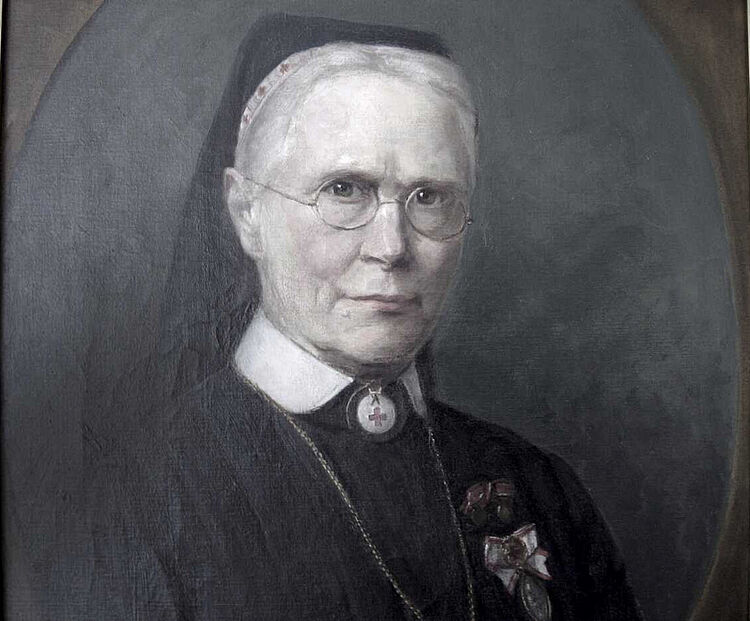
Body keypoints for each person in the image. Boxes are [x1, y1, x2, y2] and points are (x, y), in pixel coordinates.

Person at [80, 13, 643, 621]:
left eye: (429, 197)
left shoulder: (542, 490)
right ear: (247, 213)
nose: (392, 247)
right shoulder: (139, 501)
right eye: (345, 190)